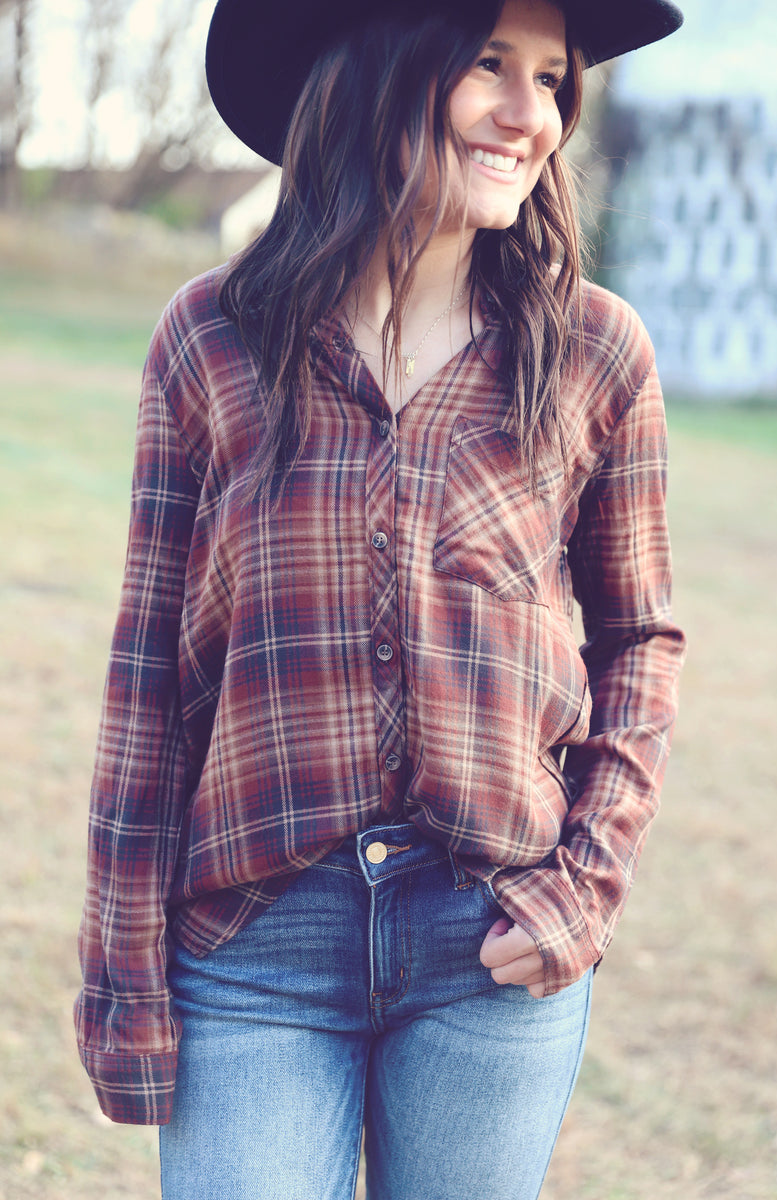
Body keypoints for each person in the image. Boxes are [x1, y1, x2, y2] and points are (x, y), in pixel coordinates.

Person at [74, 0, 687, 1195]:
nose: (530, 116)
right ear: (372, 74)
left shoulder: (595, 351)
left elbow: (639, 641)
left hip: (488, 942)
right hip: (252, 944)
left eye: (551, 79)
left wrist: (582, 885)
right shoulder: (210, 339)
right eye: (487, 66)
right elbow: (149, 671)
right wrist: (121, 980)